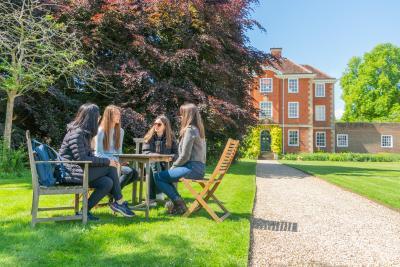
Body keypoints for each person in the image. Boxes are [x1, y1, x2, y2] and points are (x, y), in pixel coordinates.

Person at [59, 103, 135, 221]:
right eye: (97, 116)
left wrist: (108, 161)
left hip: (78, 171)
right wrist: (107, 162)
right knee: (110, 167)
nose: (99, 117)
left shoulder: (83, 134)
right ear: (91, 118)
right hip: (69, 173)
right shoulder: (77, 133)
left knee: (107, 182)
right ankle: (119, 202)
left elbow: (88, 157)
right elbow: (82, 159)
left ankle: (84, 211)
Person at [154, 103, 206, 215]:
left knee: (158, 177)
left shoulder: (190, 130)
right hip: (199, 168)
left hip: (192, 168)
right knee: (165, 177)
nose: (180, 117)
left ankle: (179, 204)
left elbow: (185, 156)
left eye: (182, 114)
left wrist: (173, 167)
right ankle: (177, 204)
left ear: (188, 115)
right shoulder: (198, 129)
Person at [94, 105, 138, 199]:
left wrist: (121, 160)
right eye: (116, 114)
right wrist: (113, 161)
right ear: (109, 116)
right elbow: (98, 154)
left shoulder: (120, 131)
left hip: (116, 162)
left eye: (119, 114)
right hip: (104, 163)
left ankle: (111, 194)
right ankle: (115, 197)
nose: (119, 116)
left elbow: (119, 151)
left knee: (135, 174)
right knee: (129, 172)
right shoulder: (101, 131)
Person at [142, 115, 178, 203]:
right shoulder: (149, 137)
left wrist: (170, 158)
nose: (156, 126)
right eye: (155, 124)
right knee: (153, 164)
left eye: (159, 124)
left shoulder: (171, 138)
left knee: (154, 166)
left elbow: (177, 154)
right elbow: (146, 152)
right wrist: (157, 157)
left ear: (165, 126)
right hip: (151, 164)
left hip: (167, 166)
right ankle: (159, 192)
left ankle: (151, 199)